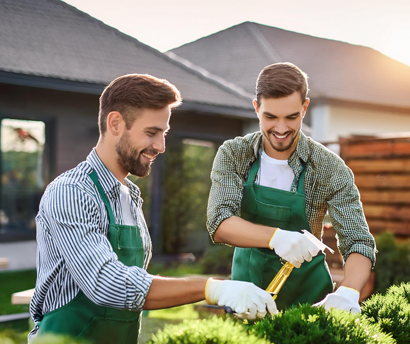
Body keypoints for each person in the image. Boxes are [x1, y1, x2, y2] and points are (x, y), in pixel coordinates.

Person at [29, 74, 277, 343]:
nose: (160, 146)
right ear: (115, 123)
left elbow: (136, 281)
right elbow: (106, 283)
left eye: (164, 133)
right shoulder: (72, 192)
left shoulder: (130, 196)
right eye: (151, 133)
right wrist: (212, 289)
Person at [207, 62, 376, 314]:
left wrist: (349, 291)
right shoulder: (235, 154)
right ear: (256, 108)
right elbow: (219, 223)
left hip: (309, 303)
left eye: (291, 117)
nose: (281, 128)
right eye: (270, 117)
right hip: (245, 300)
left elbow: (358, 242)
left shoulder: (329, 168)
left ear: (304, 108)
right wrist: (276, 238)